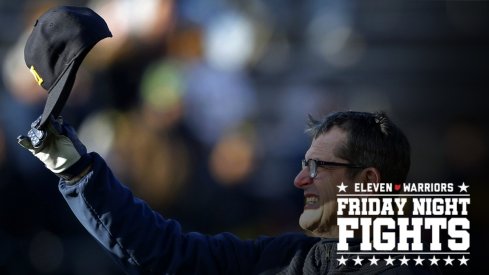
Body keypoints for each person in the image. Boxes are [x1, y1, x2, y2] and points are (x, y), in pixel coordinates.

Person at [18, 111, 437, 274]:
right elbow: (169, 253)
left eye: (317, 167)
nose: (300, 180)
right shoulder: (289, 259)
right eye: (302, 165)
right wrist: (78, 171)